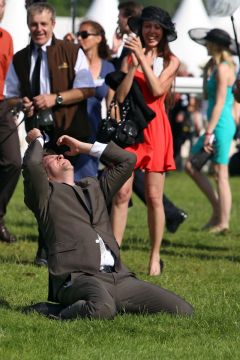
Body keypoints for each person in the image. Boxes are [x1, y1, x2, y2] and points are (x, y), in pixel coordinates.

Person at [22, 128, 193, 320]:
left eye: (58, 154)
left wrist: (84, 147)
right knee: (102, 309)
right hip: (78, 277)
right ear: (45, 176)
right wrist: (37, 139)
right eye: (52, 158)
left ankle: (103, 301)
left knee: (183, 310)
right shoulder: (44, 196)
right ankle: (53, 310)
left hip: (119, 277)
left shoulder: (94, 188)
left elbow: (128, 160)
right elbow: (30, 164)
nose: (60, 155)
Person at [4, 2, 95, 265]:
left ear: (53, 24)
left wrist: (54, 99)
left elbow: (86, 88)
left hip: (71, 132)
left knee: (72, 192)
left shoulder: (71, 51)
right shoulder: (20, 58)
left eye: (44, 24)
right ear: (28, 25)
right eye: (34, 24)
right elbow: (10, 96)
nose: (39, 29)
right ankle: (45, 249)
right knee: (43, 191)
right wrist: (23, 102)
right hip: (39, 133)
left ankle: (77, 249)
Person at [110, 6, 180, 276]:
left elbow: (157, 89)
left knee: (153, 197)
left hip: (157, 130)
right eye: (148, 26)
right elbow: (120, 95)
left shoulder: (171, 60)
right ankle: (113, 255)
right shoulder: (130, 57)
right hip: (132, 129)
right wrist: (133, 65)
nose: (151, 31)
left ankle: (154, 256)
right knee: (122, 193)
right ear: (141, 28)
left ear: (164, 33)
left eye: (157, 27)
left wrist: (141, 56)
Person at [185, 28, 237, 233]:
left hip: (221, 124)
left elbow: (220, 103)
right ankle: (218, 210)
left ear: (215, 45)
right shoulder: (215, 66)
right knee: (191, 166)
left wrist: (209, 132)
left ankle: (223, 221)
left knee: (220, 173)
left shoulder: (224, 68)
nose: (205, 45)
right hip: (218, 123)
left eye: (208, 43)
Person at [73, 20, 115, 179]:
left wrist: (113, 129)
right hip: (71, 123)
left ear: (98, 38)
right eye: (78, 35)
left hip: (93, 127)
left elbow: (112, 102)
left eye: (84, 35)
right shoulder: (73, 62)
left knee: (87, 176)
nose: (80, 38)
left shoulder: (108, 68)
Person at [0, 0, 21, 243]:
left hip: (3, 106)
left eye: (3, 3)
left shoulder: (7, 37)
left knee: (13, 161)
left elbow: (8, 76)